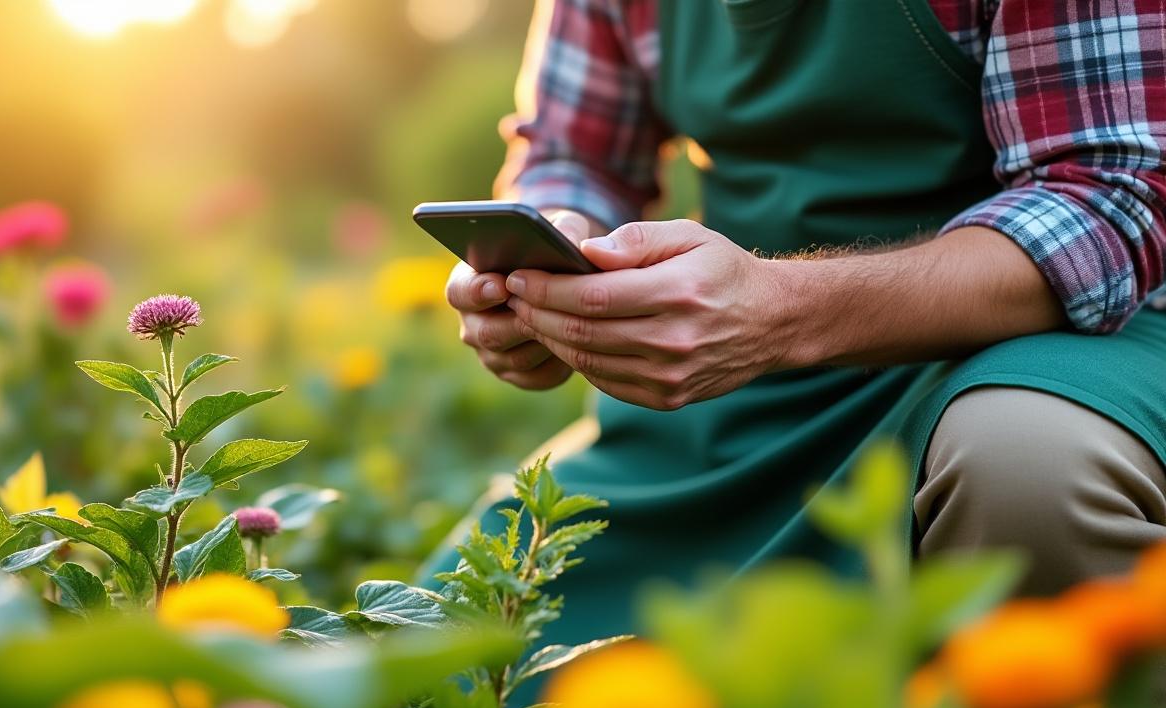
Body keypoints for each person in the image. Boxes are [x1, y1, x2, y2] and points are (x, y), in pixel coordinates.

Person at [427, 0, 1166, 655]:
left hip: (1045, 348)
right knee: (437, 648)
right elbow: (571, 154)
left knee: (1025, 467)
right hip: (736, 381)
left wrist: (778, 311)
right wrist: (551, 256)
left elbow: (1108, 198)